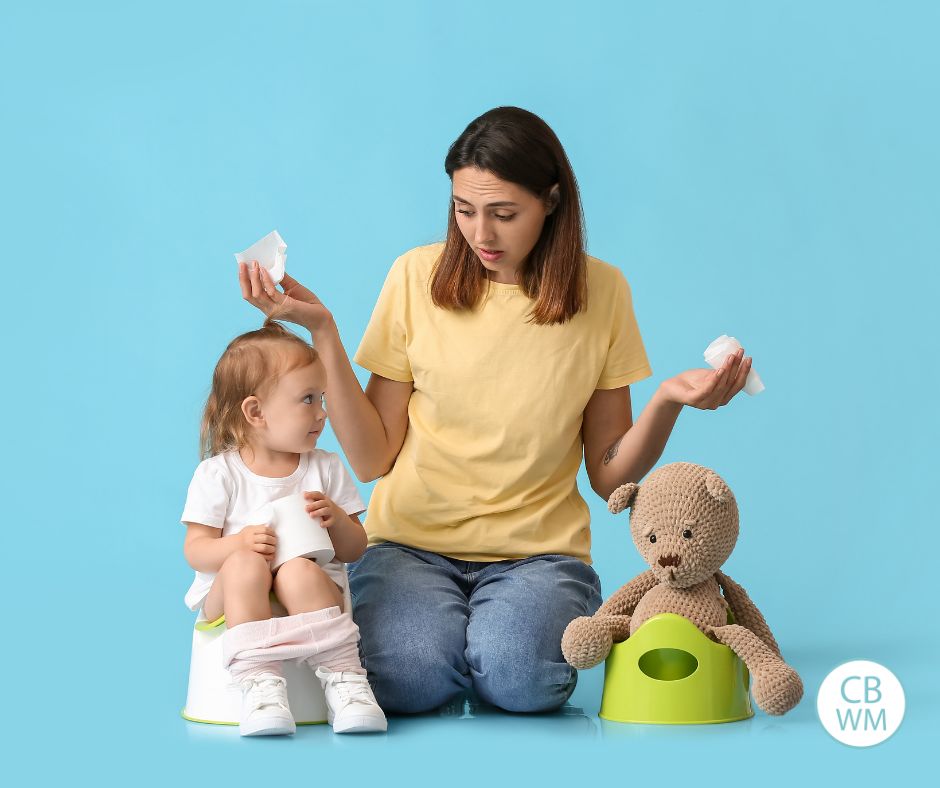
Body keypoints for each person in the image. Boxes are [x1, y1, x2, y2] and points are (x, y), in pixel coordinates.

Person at [237, 106, 752, 714]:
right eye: (464, 209)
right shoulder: (414, 276)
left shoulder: (603, 292)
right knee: (403, 681)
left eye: (504, 214)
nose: (481, 234)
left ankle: (483, 641)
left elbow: (610, 475)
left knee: (521, 681)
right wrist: (323, 330)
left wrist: (668, 401)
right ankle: (453, 642)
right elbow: (374, 457)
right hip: (410, 545)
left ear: (552, 201)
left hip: (539, 553)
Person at [181, 319, 387, 735]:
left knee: (296, 569)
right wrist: (237, 543)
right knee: (245, 565)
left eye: (322, 397)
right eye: (307, 400)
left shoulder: (325, 467)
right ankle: (261, 685)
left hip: (311, 594)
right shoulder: (218, 474)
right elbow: (196, 549)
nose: (322, 412)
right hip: (232, 598)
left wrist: (336, 521)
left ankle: (344, 681)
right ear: (256, 412)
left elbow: (355, 549)